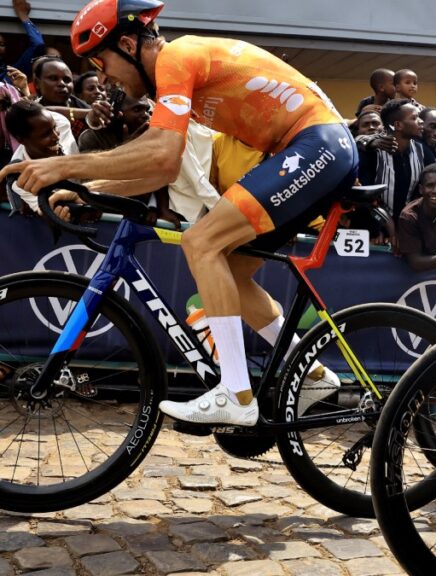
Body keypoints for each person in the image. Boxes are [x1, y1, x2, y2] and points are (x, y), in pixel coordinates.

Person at [2, 0, 356, 426]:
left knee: (200, 241)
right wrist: (87, 190)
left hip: (315, 144)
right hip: (310, 149)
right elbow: (159, 167)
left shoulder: (176, 57)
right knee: (229, 271)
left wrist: (63, 166)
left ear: (130, 43)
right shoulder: (179, 79)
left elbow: (161, 156)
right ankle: (312, 374)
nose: (102, 74)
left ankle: (236, 393)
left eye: (101, 59)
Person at [358, 98, 436, 233]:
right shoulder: (372, 151)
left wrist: (405, 228)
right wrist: (380, 227)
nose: (421, 121)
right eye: (415, 118)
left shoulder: (424, 152)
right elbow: (364, 198)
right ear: (398, 125)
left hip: (409, 227)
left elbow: (422, 196)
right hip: (372, 228)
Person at [3, 98, 79, 214]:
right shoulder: (18, 177)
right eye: (45, 135)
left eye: (54, 128)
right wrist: (57, 214)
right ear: (21, 139)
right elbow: (44, 209)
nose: (56, 137)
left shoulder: (62, 124)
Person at [77, 92, 151, 152]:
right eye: (137, 109)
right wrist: (128, 146)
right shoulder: (92, 139)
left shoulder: (152, 133)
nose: (146, 115)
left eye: (147, 110)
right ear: (118, 113)